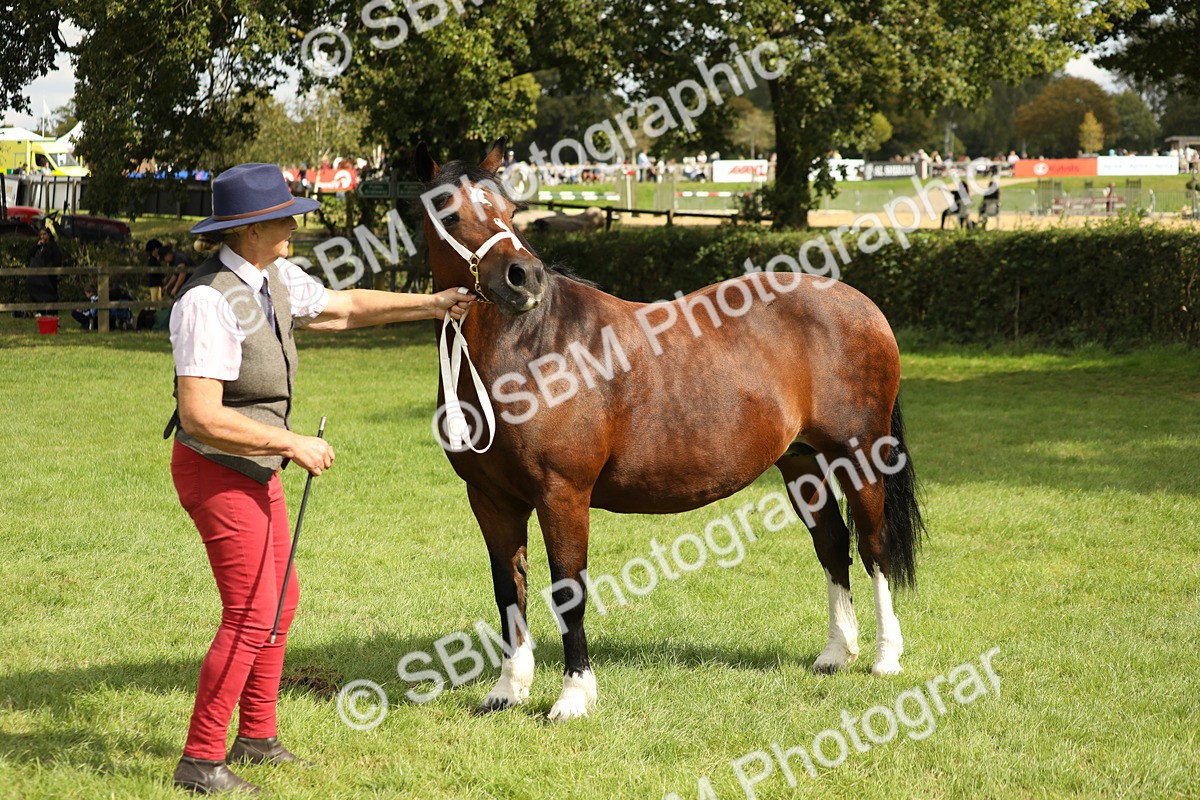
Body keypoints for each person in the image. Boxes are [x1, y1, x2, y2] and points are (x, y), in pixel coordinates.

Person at [165, 163, 473, 795]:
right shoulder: (205, 301)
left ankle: (257, 738)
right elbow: (200, 415)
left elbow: (344, 307)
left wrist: (434, 306)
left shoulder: (272, 278)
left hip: (254, 466)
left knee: (280, 601)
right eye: (285, 216)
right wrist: (292, 442)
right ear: (251, 228)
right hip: (216, 468)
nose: (296, 225)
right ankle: (200, 758)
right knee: (251, 609)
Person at [27, 227, 63, 315]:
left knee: (51, 293)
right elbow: (30, 253)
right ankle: (41, 310)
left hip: (49, 275)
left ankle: (52, 311)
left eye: (44, 234)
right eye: (41, 235)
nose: (42, 236)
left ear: (49, 235)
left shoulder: (53, 246)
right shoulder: (39, 246)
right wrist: (37, 246)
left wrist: (50, 267)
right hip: (39, 276)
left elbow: (58, 259)